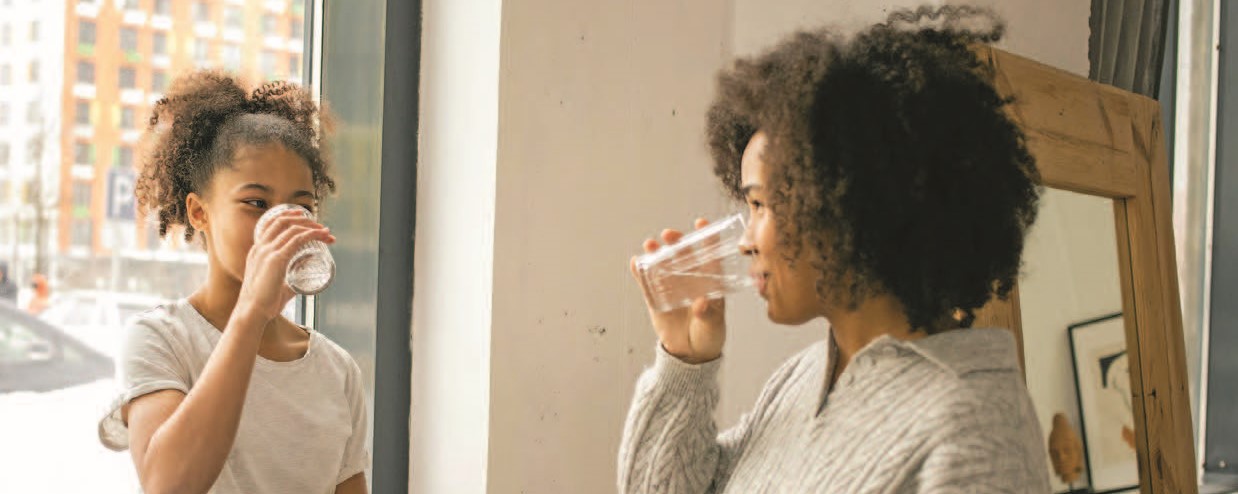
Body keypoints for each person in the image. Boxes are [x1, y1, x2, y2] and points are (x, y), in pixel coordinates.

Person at [619, 5, 1051, 492]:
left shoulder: (975, 428)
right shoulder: (803, 379)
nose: (744, 242)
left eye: (760, 204)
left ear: (846, 205)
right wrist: (685, 361)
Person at [97, 70, 370, 494]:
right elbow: (168, 485)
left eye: (301, 206)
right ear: (199, 212)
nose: (281, 223)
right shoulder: (161, 339)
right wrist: (251, 314)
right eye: (255, 203)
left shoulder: (337, 371)